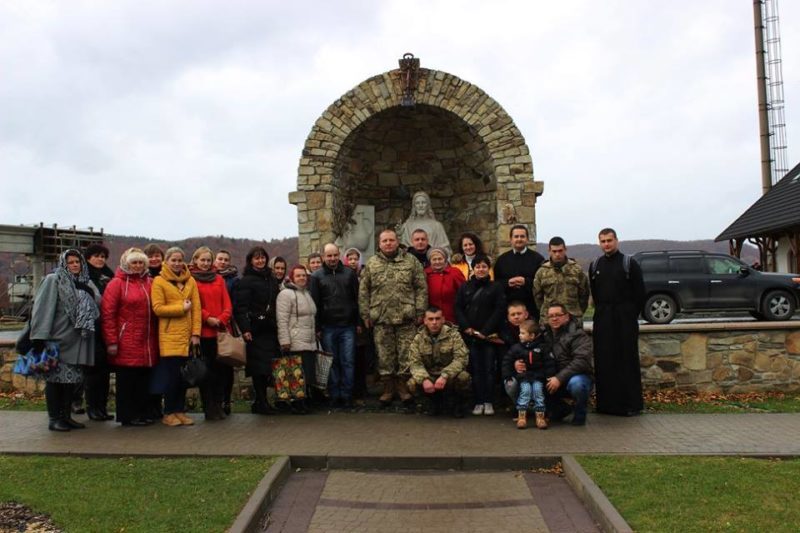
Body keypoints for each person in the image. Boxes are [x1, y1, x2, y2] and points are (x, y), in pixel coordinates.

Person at [30, 249, 100, 431]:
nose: (75, 265)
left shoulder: (85, 283)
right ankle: (55, 418)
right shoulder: (53, 280)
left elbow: (97, 306)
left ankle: (66, 416)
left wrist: (88, 292)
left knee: (71, 381)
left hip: (78, 341)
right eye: (70, 262)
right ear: (63, 264)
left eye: (78, 261)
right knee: (55, 380)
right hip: (57, 339)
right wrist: (39, 336)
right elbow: (42, 309)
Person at [359, 228, 428, 410]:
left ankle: (403, 388)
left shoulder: (411, 261)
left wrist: (420, 311)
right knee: (384, 357)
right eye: (384, 241)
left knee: (406, 355)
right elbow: (364, 291)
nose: (388, 243)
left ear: (398, 242)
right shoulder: (372, 264)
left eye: (391, 240)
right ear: (379, 244)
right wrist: (365, 314)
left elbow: (421, 287)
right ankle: (388, 389)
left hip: (407, 318)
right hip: (381, 319)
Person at [589, 228, 646, 416]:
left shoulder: (629, 263)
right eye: (603, 241)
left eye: (609, 240)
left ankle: (630, 404)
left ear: (616, 241)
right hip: (603, 317)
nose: (606, 244)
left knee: (626, 359)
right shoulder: (595, 265)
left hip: (624, 317)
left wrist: (629, 313)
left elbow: (640, 293)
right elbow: (595, 293)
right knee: (604, 360)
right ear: (599, 243)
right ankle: (606, 404)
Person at [101, 248, 159, 426]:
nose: (138, 266)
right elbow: (108, 314)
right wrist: (111, 341)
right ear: (126, 263)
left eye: (141, 263)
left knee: (143, 379)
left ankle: (143, 413)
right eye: (134, 262)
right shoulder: (116, 284)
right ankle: (128, 415)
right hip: (126, 339)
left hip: (146, 339)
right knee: (127, 380)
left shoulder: (149, 282)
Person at [150, 247, 202, 427]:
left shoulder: (191, 281)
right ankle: (169, 412)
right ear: (166, 261)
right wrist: (181, 308)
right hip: (169, 337)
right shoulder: (159, 281)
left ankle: (180, 410)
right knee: (171, 378)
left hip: (187, 338)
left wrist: (196, 333)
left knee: (183, 378)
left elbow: (196, 309)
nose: (177, 264)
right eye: (174, 260)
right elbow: (157, 308)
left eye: (180, 260)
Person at [455, 254, 506, 416]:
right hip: (471, 336)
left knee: (489, 369)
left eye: (484, 266)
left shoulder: (496, 287)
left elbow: (499, 310)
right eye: (478, 266)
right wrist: (466, 327)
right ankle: (478, 401)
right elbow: (458, 308)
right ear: (473, 269)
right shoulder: (465, 287)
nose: (481, 269)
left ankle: (488, 401)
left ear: (488, 268)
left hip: (489, 336)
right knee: (475, 369)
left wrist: (485, 332)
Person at [311, 243, 360, 408]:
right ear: (324, 256)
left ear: (339, 255)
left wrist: (358, 322)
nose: (332, 259)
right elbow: (315, 304)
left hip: (348, 326)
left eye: (335, 255)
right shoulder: (317, 277)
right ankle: (334, 395)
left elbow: (357, 299)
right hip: (328, 326)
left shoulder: (349, 274)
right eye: (329, 256)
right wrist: (317, 327)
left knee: (348, 361)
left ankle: (347, 396)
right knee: (331, 362)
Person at [234, 246, 280, 415]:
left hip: (271, 328)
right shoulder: (245, 281)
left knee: (269, 368)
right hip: (255, 329)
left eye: (262, 257)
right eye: (256, 258)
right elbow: (240, 308)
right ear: (251, 260)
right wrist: (245, 329)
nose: (260, 261)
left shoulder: (271, 278)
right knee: (258, 369)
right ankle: (261, 401)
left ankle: (263, 401)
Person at [189, 246, 233, 421]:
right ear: (196, 261)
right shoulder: (191, 280)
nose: (206, 263)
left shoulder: (219, 279)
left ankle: (219, 404)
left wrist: (222, 319)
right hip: (203, 332)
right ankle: (209, 407)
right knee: (206, 374)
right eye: (203, 260)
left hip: (220, 332)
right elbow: (193, 304)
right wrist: (208, 318)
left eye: (208, 260)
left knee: (221, 372)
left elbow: (227, 304)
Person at [407, 306, 471, 418]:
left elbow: (461, 359)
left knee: (464, 377)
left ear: (443, 320)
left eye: (437, 318)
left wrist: (445, 375)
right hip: (430, 375)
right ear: (425, 321)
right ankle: (432, 403)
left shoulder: (454, 335)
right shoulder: (418, 338)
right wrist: (424, 379)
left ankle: (457, 404)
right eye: (431, 319)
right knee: (412, 383)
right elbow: (414, 362)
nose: (434, 322)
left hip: (449, 376)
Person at [542, 303, 594, 426]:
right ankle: (561, 410)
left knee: (577, 385)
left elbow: (581, 361)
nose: (554, 318)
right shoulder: (543, 334)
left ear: (566, 316)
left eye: (558, 315)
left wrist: (559, 378)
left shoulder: (578, 334)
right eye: (551, 316)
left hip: (576, 376)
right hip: (552, 377)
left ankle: (579, 416)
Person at [81, 243, 115, 421]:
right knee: (92, 371)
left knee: (104, 371)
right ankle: (92, 408)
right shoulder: (83, 278)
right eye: (97, 256)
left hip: (106, 329)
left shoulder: (109, 276)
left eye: (103, 256)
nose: (100, 259)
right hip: (90, 330)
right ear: (88, 258)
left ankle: (102, 407)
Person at [502, 319, 556, 429]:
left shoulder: (542, 348)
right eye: (519, 333)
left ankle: (540, 417)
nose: (519, 335)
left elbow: (549, 363)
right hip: (524, 377)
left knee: (538, 393)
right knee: (525, 393)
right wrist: (507, 374)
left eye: (522, 333)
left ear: (532, 336)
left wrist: (550, 375)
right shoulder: (516, 348)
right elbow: (507, 360)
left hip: (538, 377)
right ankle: (522, 416)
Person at [276, 264, 315, 413]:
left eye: (304, 275)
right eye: (298, 275)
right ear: (292, 278)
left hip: (309, 341)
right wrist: (284, 340)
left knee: (305, 374)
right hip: (295, 341)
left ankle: (303, 401)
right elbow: (282, 319)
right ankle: (297, 403)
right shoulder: (286, 294)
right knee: (296, 374)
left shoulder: (306, 293)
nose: (302, 278)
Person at [533, 236, 590, 324]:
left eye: (560, 251)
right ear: (549, 251)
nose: (557, 254)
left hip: (573, 319)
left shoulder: (576, 270)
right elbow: (537, 297)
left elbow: (584, 294)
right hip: (549, 320)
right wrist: (546, 312)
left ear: (565, 249)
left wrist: (576, 311)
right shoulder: (542, 272)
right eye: (554, 251)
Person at [493, 224, 545, 317]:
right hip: (507, 309)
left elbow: (543, 283)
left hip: (532, 309)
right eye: (516, 236)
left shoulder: (537, 259)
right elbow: (495, 283)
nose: (519, 239)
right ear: (511, 239)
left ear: (527, 239)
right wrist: (507, 283)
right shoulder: (502, 260)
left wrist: (526, 282)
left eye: (522, 236)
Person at [213, 249, 238, 414]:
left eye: (225, 259)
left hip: (226, 326)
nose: (222, 262)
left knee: (226, 366)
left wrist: (223, 319)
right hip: (208, 326)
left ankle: (226, 400)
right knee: (213, 366)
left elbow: (233, 304)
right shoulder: (206, 277)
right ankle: (214, 400)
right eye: (220, 259)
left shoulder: (234, 280)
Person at [424, 247, 465, 323]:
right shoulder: (425, 274)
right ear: (430, 261)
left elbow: (464, 293)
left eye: (440, 259)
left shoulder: (455, 272)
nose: (437, 262)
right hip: (433, 320)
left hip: (452, 317)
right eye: (434, 259)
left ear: (445, 259)